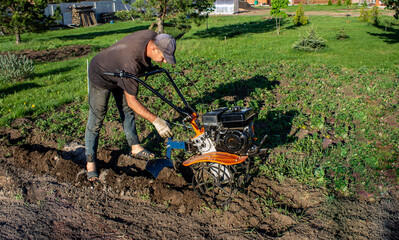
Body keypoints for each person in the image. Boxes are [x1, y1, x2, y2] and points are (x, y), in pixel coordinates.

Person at [85, 30, 176, 181]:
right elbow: (132, 101)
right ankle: (90, 163)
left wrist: (147, 66)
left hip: (119, 71)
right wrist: (156, 121)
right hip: (101, 75)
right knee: (97, 118)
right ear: (154, 49)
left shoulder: (153, 37)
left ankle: (135, 147)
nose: (165, 61)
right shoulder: (131, 64)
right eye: (164, 57)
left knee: (126, 110)